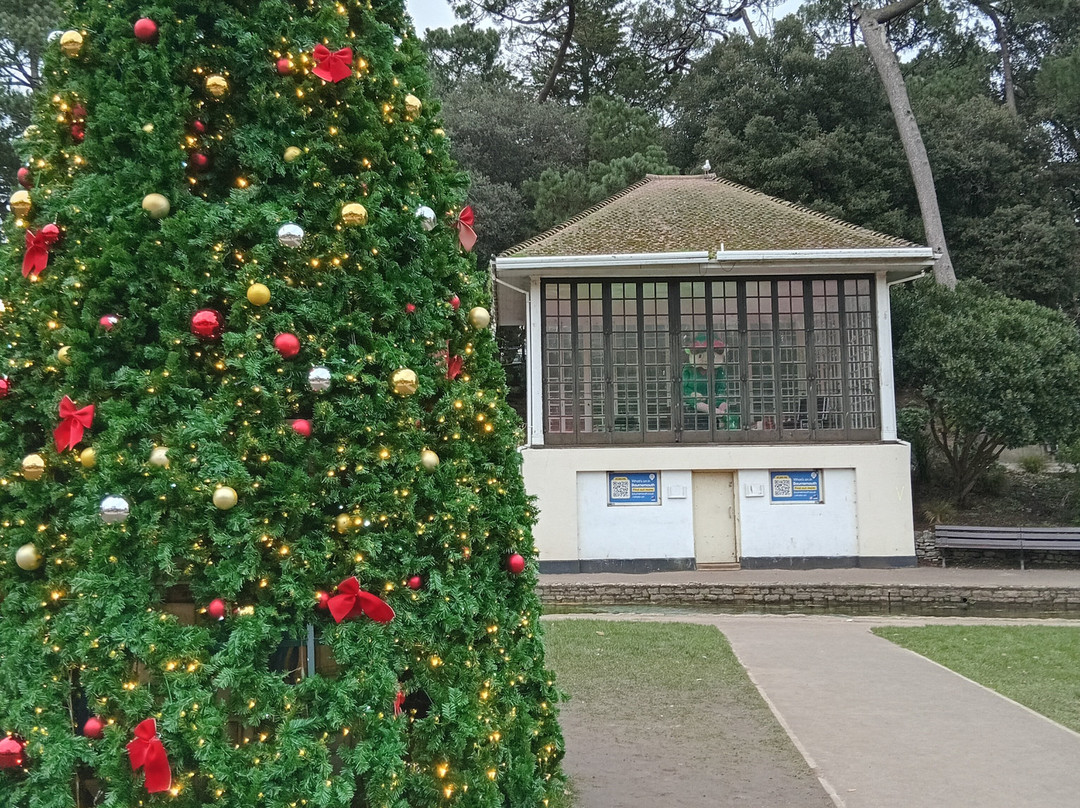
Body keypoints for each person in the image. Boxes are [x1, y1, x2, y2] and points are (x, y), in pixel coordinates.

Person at [682, 335, 729, 428]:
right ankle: (716, 412)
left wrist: (721, 400)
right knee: (699, 405)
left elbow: (721, 387)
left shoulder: (718, 371)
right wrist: (692, 394)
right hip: (692, 407)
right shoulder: (688, 369)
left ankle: (721, 415)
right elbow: (683, 387)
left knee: (723, 405)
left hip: (713, 401)